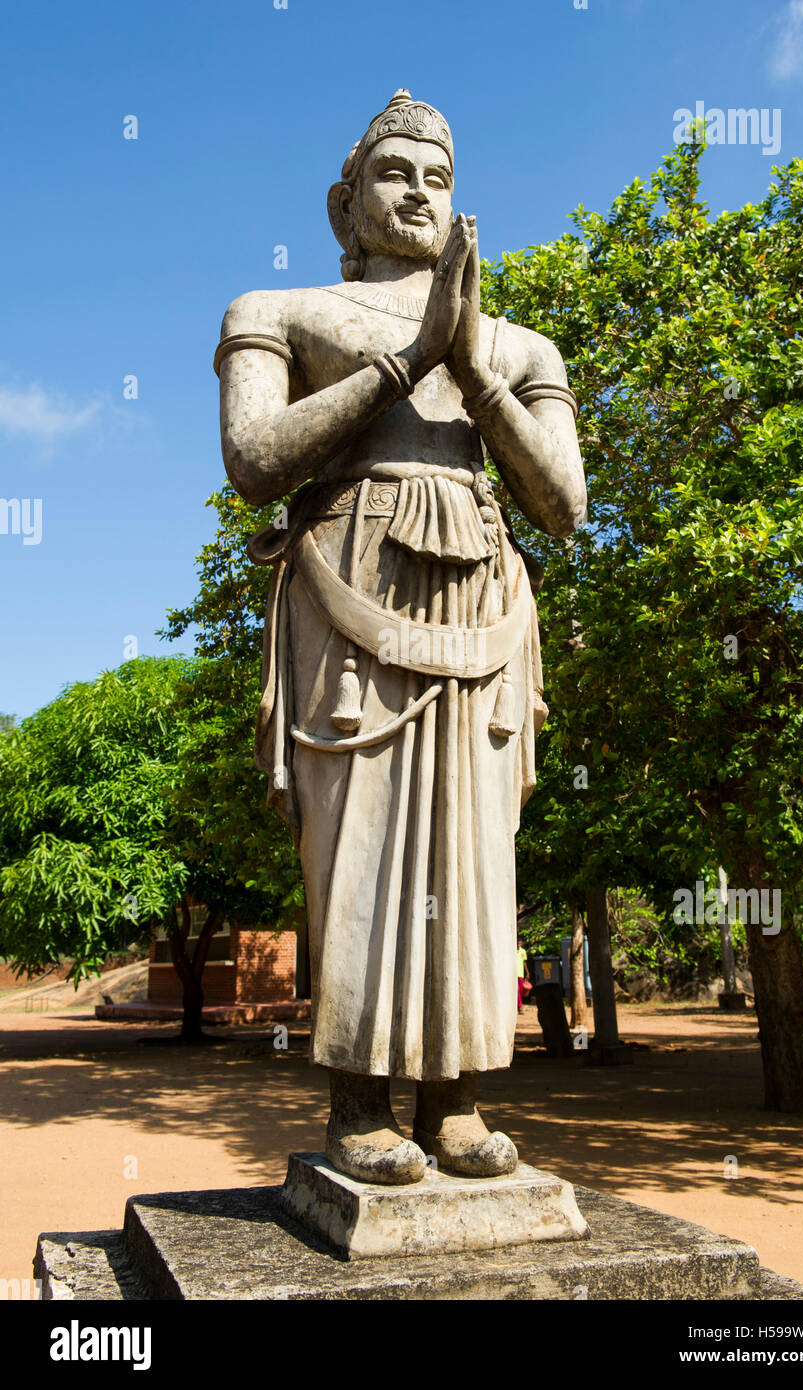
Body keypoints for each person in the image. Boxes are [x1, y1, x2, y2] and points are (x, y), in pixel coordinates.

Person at [215, 91, 585, 1184]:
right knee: (362, 851)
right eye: (394, 174)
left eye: (438, 177)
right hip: (350, 601)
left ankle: (459, 1101)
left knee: (473, 857)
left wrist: (465, 362)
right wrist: (403, 356)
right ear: (346, 201)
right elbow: (253, 459)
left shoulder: (516, 346)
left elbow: (561, 502)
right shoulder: (279, 310)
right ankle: (361, 1105)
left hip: (481, 613)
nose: (418, 192)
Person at [517, 937, 531, 1013]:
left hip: (521, 973)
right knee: (517, 990)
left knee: (521, 990)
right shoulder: (513, 951)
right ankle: (520, 1006)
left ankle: (518, 1004)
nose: (518, 944)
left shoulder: (523, 951)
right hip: (514, 974)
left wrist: (527, 972)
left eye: (519, 942)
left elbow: (524, 962)